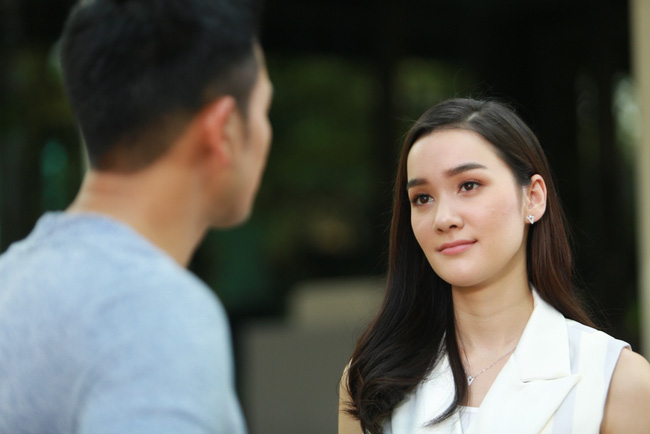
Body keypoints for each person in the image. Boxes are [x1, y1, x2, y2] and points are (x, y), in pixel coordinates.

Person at [0, 0, 272, 432]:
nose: (265, 132)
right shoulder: (156, 314)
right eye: (263, 110)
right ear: (224, 130)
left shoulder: (11, 280)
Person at [338, 98, 650, 434]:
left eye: (469, 185)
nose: (443, 218)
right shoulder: (372, 380)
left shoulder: (616, 380)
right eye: (422, 198)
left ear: (533, 197)